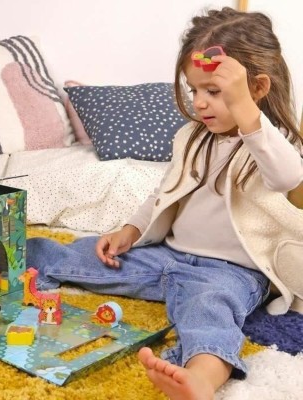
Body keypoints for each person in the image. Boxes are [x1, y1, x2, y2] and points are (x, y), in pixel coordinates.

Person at [27, 7, 303, 399]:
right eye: (194, 91)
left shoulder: (273, 143)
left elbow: (288, 177)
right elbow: (164, 193)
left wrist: (246, 110)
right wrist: (131, 230)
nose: (200, 103)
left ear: (257, 89)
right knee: (77, 253)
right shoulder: (192, 137)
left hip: (230, 274)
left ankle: (200, 379)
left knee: (208, 312)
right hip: (166, 256)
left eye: (214, 92)